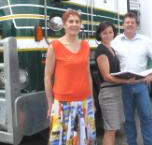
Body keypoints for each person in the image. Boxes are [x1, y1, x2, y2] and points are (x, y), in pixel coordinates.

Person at [44, 9, 96, 145]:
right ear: (64, 25)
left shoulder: (85, 45)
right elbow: (47, 77)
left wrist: (92, 102)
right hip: (62, 103)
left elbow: (87, 74)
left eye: (77, 21)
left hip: (85, 102)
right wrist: (50, 104)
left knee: (85, 141)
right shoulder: (54, 46)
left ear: (81, 25)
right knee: (62, 141)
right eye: (70, 21)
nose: (74, 24)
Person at [112, 12, 152, 145]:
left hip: (141, 85)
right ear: (123, 24)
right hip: (124, 85)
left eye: (132, 22)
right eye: (127, 22)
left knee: (146, 116)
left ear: (136, 25)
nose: (129, 25)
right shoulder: (115, 41)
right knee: (128, 119)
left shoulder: (145, 40)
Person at [95, 21, 136, 145]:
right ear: (100, 35)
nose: (108, 35)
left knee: (113, 129)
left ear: (114, 33)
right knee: (110, 129)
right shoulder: (101, 50)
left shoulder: (111, 48)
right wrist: (126, 81)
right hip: (108, 93)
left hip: (116, 91)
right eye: (104, 33)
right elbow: (106, 76)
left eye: (110, 32)